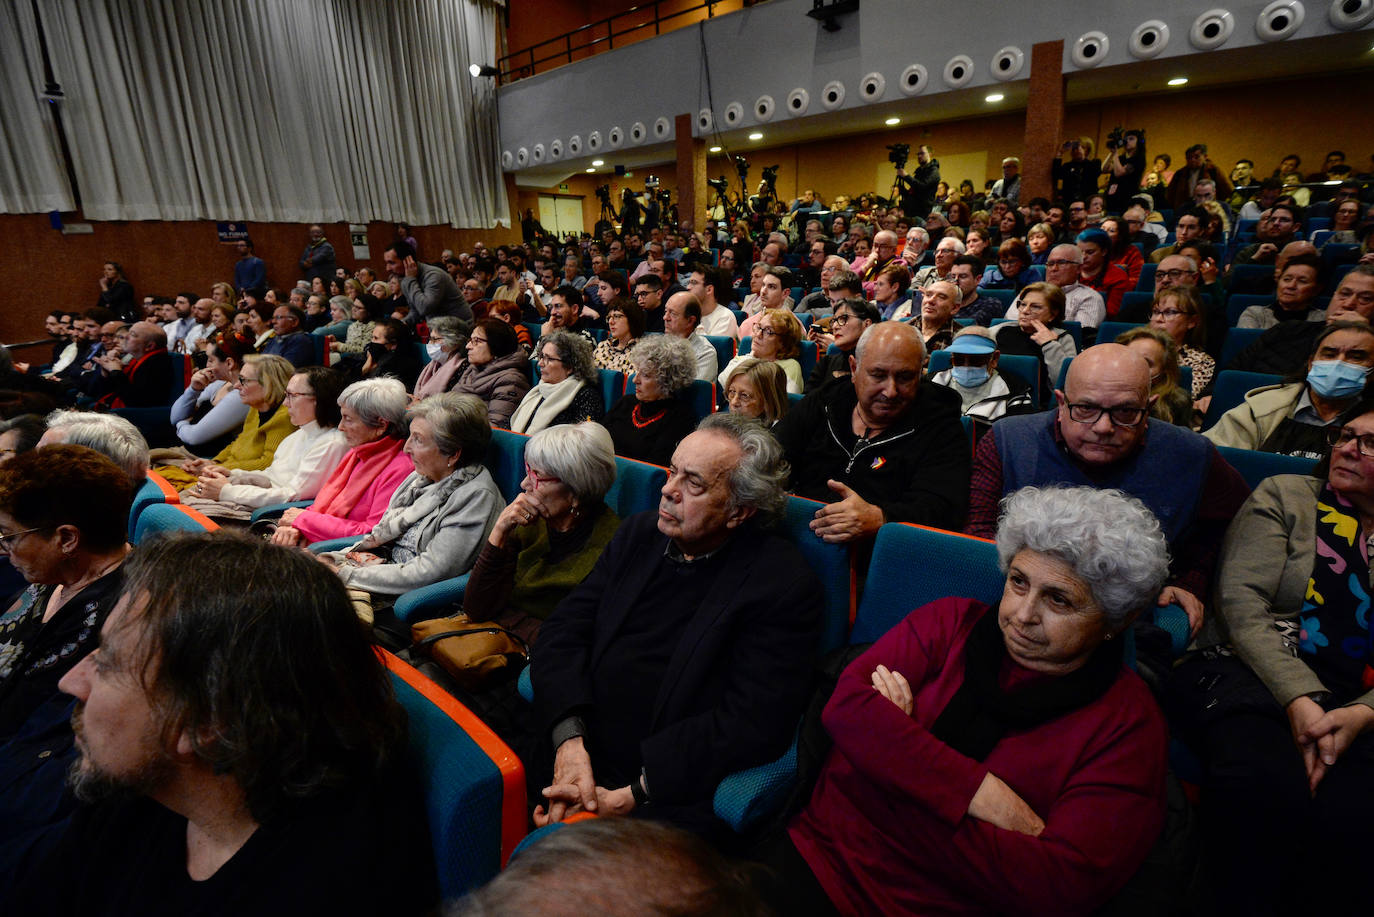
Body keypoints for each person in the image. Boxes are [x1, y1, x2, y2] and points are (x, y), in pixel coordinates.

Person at [774, 485, 1170, 915]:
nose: (1022, 614)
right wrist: (978, 793)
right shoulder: (949, 622)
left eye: (1059, 599)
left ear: (1117, 618)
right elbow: (847, 709)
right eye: (1018, 582)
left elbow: (1055, 885)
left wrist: (891, 763)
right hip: (821, 859)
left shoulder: (1127, 727)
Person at [9, 532, 437, 915]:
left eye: (108, 663)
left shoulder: (320, 888)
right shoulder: (142, 789)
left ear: (208, 721)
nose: (70, 682)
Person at [530, 413, 822, 837]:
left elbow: (750, 723)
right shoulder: (640, 534)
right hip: (576, 743)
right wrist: (569, 742)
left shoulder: (782, 585)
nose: (668, 490)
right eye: (672, 471)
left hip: (665, 791)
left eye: (693, 484)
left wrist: (632, 793)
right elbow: (563, 628)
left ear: (739, 511)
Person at [1169, 402, 1374, 915]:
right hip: (1247, 666)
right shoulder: (1288, 494)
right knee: (1260, 786)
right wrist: (1301, 698)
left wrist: (1360, 713)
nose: (1348, 447)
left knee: (1350, 814)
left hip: (1356, 695)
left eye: (1370, 443)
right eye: (1346, 435)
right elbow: (1241, 603)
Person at [966, 344, 1252, 638]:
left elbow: (1228, 528)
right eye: (1086, 409)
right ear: (1061, 403)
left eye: (1126, 412)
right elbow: (979, 532)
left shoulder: (1193, 456)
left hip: (1133, 624)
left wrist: (1193, 579)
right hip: (1020, 612)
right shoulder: (1007, 441)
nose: (1104, 427)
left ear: (1149, 409)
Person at [774, 323, 969, 543]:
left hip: (880, 554)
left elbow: (944, 509)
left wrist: (883, 519)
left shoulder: (942, 427)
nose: (891, 391)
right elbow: (773, 455)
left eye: (905, 377)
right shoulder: (825, 401)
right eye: (878, 375)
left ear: (920, 374)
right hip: (797, 536)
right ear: (854, 368)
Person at [318, 393, 504, 617]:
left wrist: (343, 574)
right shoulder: (419, 478)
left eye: (418, 439)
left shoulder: (476, 497)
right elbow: (382, 537)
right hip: (378, 571)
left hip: (404, 601)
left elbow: (430, 573)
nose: (406, 448)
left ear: (453, 454)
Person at [0, 446, 132, 742]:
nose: (3, 549)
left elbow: (30, 732)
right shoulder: (55, 576)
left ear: (67, 539)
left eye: (8, 537)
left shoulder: (116, 619)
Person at [463, 423, 621, 646]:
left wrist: (502, 619)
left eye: (537, 475)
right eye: (528, 470)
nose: (524, 484)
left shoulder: (612, 548)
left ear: (576, 490)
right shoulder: (527, 520)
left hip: (542, 662)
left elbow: (569, 638)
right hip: (492, 642)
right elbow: (476, 608)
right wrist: (499, 531)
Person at [181, 367, 350, 521]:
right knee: (180, 501)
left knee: (182, 515)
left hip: (272, 516)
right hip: (257, 503)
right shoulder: (300, 433)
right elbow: (271, 475)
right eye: (286, 395)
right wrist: (232, 474)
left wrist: (226, 491)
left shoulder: (332, 444)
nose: (285, 403)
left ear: (318, 400)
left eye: (292, 396)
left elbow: (293, 497)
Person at [269, 378, 413, 546]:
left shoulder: (402, 469)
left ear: (380, 425)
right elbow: (321, 507)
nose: (340, 426)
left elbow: (372, 533)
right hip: (315, 540)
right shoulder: (356, 452)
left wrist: (304, 521)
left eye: (348, 419)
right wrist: (296, 526)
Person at [1204, 322, 1374, 458]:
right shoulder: (1262, 407)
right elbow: (1213, 458)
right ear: (1310, 363)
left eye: (1356, 357)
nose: (1339, 363)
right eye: (1329, 354)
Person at [154, 354, 295, 492]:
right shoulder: (255, 407)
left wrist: (220, 468)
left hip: (246, 482)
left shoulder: (284, 417)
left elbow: (267, 463)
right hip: (228, 471)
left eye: (244, 380)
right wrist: (214, 462)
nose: (236, 386)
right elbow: (237, 443)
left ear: (268, 384)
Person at [601, 337, 698, 466]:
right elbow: (597, 442)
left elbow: (654, 469)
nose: (635, 380)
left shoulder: (680, 418)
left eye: (645, 375)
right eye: (637, 372)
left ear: (667, 381)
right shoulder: (626, 403)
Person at [927, 327, 1035, 434]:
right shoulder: (931, 383)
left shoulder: (1015, 392)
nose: (966, 367)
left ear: (994, 359)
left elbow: (1020, 436)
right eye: (959, 359)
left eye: (976, 360)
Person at [166, 338, 253, 458]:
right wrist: (193, 390)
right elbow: (174, 417)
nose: (207, 365)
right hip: (188, 452)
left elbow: (194, 437)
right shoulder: (219, 384)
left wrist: (182, 423)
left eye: (211, 360)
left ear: (229, 363)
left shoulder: (241, 395)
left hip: (210, 460)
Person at [991, 281, 1077, 397]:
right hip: (994, 396)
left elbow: (1065, 384)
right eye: (1022, 304)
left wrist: (1049, 344)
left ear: (1053, 314)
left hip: (1037, 405)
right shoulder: (999, 330)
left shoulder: (1062, 338)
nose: (1025, 311)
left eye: (1035, 307)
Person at [510, 331, 603, 435]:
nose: (540, 363)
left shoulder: (586, 396)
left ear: (569, 367)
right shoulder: (539, 390)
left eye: (549, 359)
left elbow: (582, 440)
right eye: (541, 356)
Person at [448, 318, 531, 429]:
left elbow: (495, 428)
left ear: (495, 346)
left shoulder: (511, 380)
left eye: (476, 341)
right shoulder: (472, 369)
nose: (468, 346)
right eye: (470, 340)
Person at [1116, 326, 1193, 428]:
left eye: (1145, 363)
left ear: (1164, 371)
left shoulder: (1176, 403)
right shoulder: (1099, 391)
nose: (1133, 367)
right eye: (1128, 359)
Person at [1147, 285, 1214, 400]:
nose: (1158, 318)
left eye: (1170, 312)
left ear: (1192, 322)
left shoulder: (1200, 361)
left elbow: (1181, 400)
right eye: (1156, 311)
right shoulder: (1134, 348)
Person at [718, 309, 805, 394]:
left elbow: (785, 403)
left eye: (768, 331)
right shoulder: (742, 359)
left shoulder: (790, 366)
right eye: (758, 327)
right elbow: (723, 383)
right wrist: (751, 357)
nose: (758, 334)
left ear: (783, 342)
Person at [385, 240, 469, 323]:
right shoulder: (405, 280)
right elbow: (416, 311)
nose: (387, 268)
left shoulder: (433, 275)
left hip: (460, 329)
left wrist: (410, 279)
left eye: (391, 263)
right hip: (440, 330)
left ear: (407, 261)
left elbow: (424, 308)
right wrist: (401, 324)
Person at [805, 299, 878, 394]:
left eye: (843, 319)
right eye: (834, 320)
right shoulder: (826, 363)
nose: (835, 326)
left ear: (867, 324)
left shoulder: (879, 366)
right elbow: (806, 403)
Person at [1236, 253, 1325, 330]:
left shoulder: (1323, 319)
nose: (1291, 286)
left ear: (1316, 289)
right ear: (1278, 281)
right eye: (1286, 279)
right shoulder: (1255, 314)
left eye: (1302, 281)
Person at [1076, 229, 1130, 318]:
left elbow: (1111, 313)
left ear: (1104, 251)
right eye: (1079, 252)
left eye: (1090, 252)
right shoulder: (1069, 270)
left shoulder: (1118, 277)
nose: (1083, 256)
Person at [723, 357, 790, 427]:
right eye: (732, 391)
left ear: (768, 402)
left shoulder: (778, 435)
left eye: (744, 395)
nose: (734, 402)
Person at [592, 299, 643, 374]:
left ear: (632, 319)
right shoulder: (603, 346)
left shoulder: (641, 352)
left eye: (616, 316)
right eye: (609, 318)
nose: (610, 322)